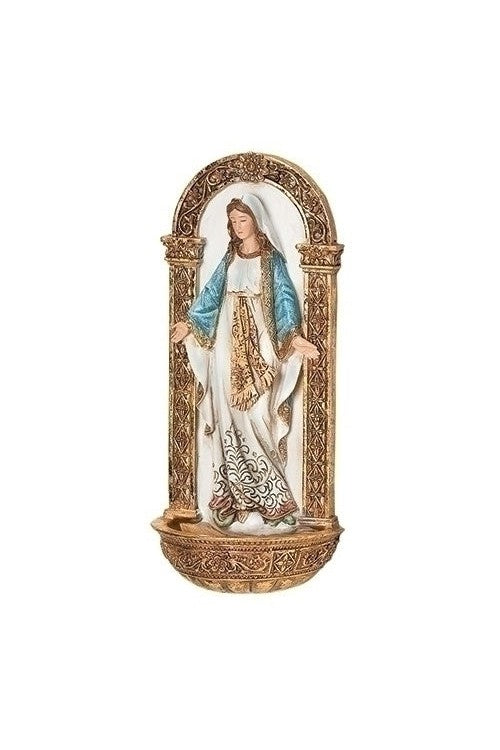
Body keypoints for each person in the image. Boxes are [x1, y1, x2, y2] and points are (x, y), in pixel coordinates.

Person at [171, 193, 319, 532]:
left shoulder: (271, 261)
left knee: (257, 417)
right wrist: (189, 324)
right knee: (228, 415)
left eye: (244, 220)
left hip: (261, 344)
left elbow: (284, 299)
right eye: (233, 221)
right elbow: (210, 296)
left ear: (256, 221)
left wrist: (293, 336)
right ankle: (231, 496)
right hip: (226, 345)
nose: (238, 227)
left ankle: (273, 498)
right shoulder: (229, 257)